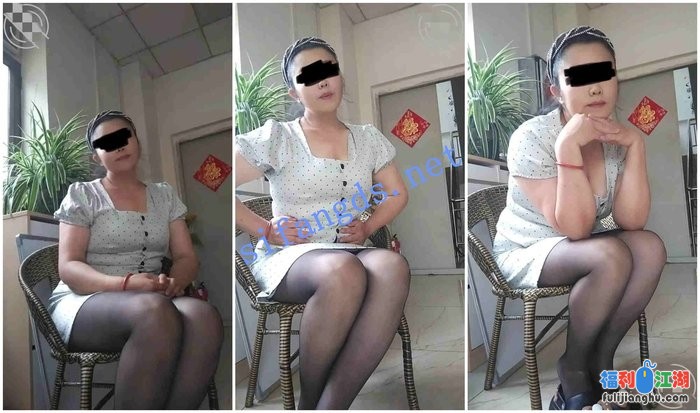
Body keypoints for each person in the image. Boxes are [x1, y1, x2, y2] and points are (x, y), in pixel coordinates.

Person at [492, 26, 667, 410]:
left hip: (582, 243)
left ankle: (601, 359)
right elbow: (574, 227)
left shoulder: (614, 136)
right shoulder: (531, 137)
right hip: (527, 248)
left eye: (604, 73)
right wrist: (567, 145)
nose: (596, 88)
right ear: (555, 91)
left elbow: (632, 221)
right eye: (580, 78)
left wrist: (635, 144)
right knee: (610, 256)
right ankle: (573, 368)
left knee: (650, 247)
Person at [235, 37, 411, 409]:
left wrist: (367, 226)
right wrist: (266, 229)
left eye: (328, 70)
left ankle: (331, 405)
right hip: (292, 257)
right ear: (294, 92)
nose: (323, 81)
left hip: (350, 248)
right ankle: (310, 403)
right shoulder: (279, 138)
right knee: (342, 270)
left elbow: (397, 194)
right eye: (309, 76)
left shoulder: (368, 139)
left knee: (392, 266)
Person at [49, 111, 224, 409]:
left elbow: (185, 256)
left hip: (152, 296)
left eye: (124, 136)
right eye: (107, 142)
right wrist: (126, 284)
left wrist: (175, 281)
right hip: (86, 299)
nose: (118, 145)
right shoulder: (83, 195)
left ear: (137, 141)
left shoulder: (164, 196)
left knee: (203, 316)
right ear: (96, 157)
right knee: (153, 311)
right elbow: (69, 267)